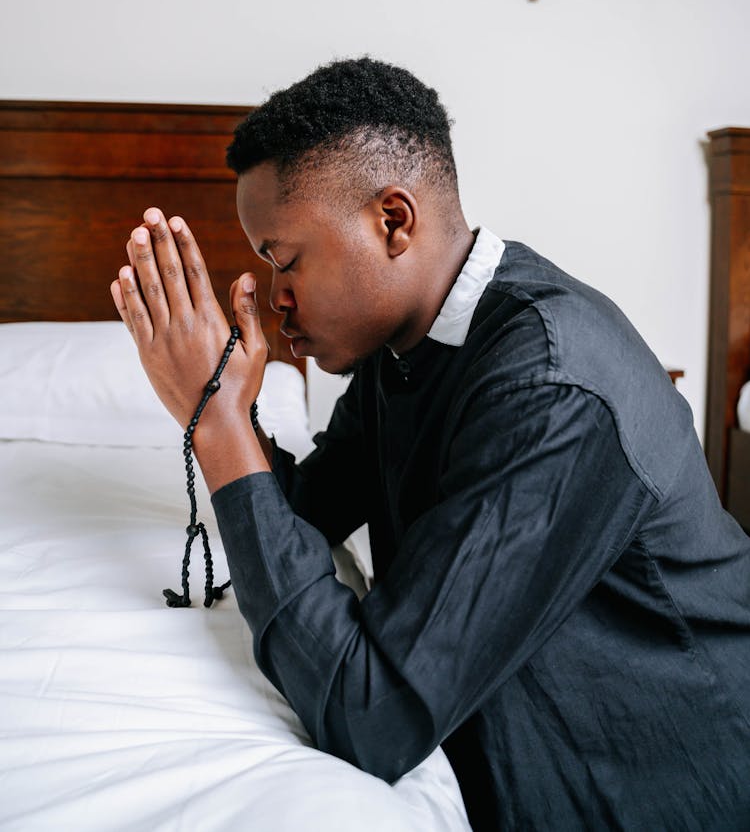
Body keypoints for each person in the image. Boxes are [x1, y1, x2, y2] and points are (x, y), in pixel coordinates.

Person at [111, 57, 750, 832]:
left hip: (673, 786)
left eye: (286, 258)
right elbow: (305, 511)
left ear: (393, 220)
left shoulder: (549, 384)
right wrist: (229, 407)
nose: (275, 295)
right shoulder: (403, 351)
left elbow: (371, 715)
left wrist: (215, 426)